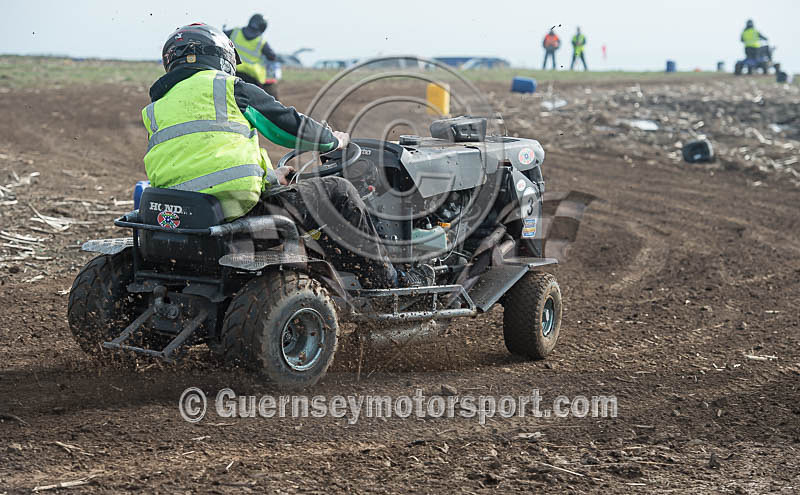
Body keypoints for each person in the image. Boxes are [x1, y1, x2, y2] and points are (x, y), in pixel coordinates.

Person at [142, 23, 413, 288]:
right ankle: (388, 281)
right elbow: (289, 125)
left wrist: (270, 177)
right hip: (234, 217)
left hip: (181, 218)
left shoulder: (157, 107)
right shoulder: (228, 88)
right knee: (340, 192)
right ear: (221, 56)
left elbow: (202, 160)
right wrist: (333, 141)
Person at [224, 15, 278, 93]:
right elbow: (272, 56)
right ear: (263, 28)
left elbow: (220, 37)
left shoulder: (235, 32)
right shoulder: (261, 42)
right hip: (251, 77)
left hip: (230, 70)